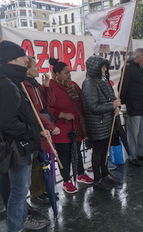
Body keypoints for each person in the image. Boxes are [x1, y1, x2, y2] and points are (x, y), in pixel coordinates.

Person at [0, 40, 48, 231]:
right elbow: (7, 121)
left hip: (14, 146)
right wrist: (30, 133)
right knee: (19, 191)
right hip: (16, 147)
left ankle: (20, 220)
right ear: (11, 61)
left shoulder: (12, 82)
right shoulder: (7, 86)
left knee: (17, 190)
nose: (27, 59)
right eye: (23, 56)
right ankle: (16, 226)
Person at [49, 58, 93, 193]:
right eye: (66, 73)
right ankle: (66, 180)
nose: (69, 75)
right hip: (61, 128)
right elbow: (47, 108)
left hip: (76, 126)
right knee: (64, 155)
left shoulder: (72, 84)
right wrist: (61, 114)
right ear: (57, 74)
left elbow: (81, 101)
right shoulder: (50, 87)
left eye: (69, 72)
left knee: (76, 151)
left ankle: (80, 173)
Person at [23, 57, 59, 205]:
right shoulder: (25, 86)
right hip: (35, 129)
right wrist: (49, 126)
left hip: (42, 128)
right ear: (27, 70)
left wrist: (46, 87)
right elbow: (33, 112)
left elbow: (48, 104)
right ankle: (36, 193)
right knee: (36, 164)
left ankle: (44, 190)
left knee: (42, 161)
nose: (38, 69)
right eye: (35, 67)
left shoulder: (35, 85)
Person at [82, 55, 121, 191]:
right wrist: (112, 106)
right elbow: (93, 106)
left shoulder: (103, 81)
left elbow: (112, 98)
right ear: (95, 68)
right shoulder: (89, 84)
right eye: (103, 67)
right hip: (97, 124)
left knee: (105, 151)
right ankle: (97, 179)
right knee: (98, 152)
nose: (105, 69)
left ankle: (105, 174)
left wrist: (116, 107)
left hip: (106, 122)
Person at [119, 48, 143, 167]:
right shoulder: (128, 67)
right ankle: (132, 155)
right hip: (134, 105)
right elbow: (123, 86)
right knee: (133, 133)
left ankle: (139, 152)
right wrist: (122, 101)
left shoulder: (141, 69)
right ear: (137, 56)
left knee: (142, 132)